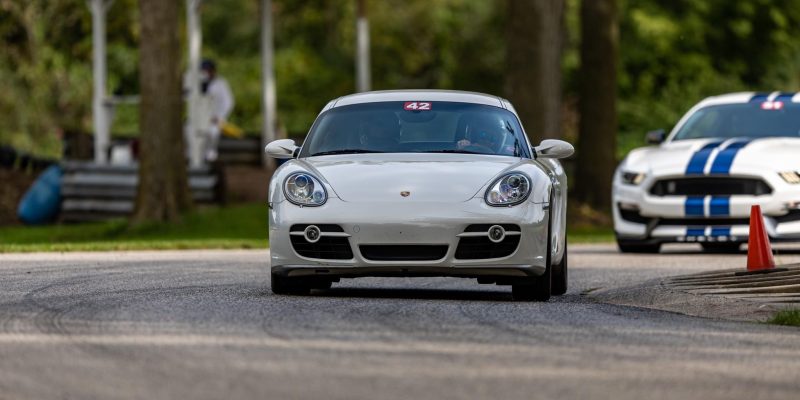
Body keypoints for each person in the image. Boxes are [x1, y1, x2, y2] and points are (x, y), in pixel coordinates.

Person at [198, 59, 234, 161]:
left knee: (212, 132)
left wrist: (219, 117)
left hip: (215, 119)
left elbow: (228, 102)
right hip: (200, 119)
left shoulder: (221, 83)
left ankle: (210, 157)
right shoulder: (197, 83)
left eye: (208, 70)